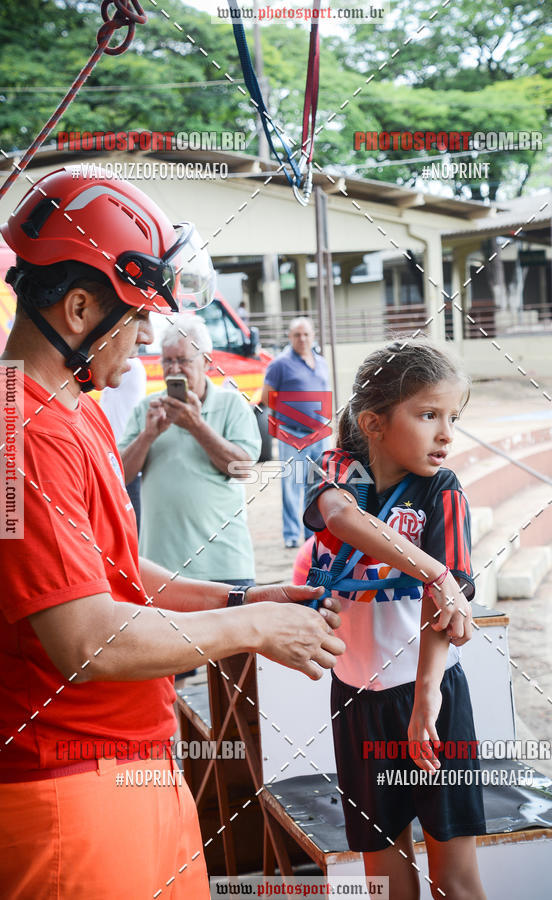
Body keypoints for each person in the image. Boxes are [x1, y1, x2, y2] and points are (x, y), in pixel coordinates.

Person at [0, 167, 344, 900]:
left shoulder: (71, 406)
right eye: (138, 316)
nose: (151, 339)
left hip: (126, 761)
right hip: (70, 785)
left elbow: (114, 573)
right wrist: (252, 627)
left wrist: (238, 597)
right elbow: (86, 637)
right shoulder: (22, 432)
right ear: (79, 307)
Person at [303, 338, 486, 900]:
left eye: (453, 417)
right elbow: (342, 519)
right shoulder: (339, 473)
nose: (446, 433)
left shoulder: (443, 491)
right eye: (428, 414)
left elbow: (445, 609)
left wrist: (427, 695)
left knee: (454, 880)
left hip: (430, 700)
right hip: (356, 701)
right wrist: (436, 573)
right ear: (373, 423)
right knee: (385, 880)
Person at [120, 317, 260, 587]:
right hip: (160, 568)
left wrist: (197, 426)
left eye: (183, 361)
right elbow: (119, 477)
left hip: (223, 565)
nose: (174, 369)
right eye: (167, 361)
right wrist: (148, 435)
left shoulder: (232, 405)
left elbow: (242, 469)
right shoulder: (148, 408)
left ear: (206, 362)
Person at [261, 316, 331, 549]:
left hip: (319, 435)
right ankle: (291, 536)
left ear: (313, 336)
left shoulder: (321, 362)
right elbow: (266, 397)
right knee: (291, 485)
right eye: (297, 335)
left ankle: (310, 535)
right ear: (290, 337)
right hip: (292, 433)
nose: (302, 339)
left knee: (316, 485)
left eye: (306, 334)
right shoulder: (280, 364)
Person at [100, 354, 146, 530]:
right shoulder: (125, 366)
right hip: (115, 460)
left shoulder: (130, 366)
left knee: (130, 530)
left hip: (123, 463)